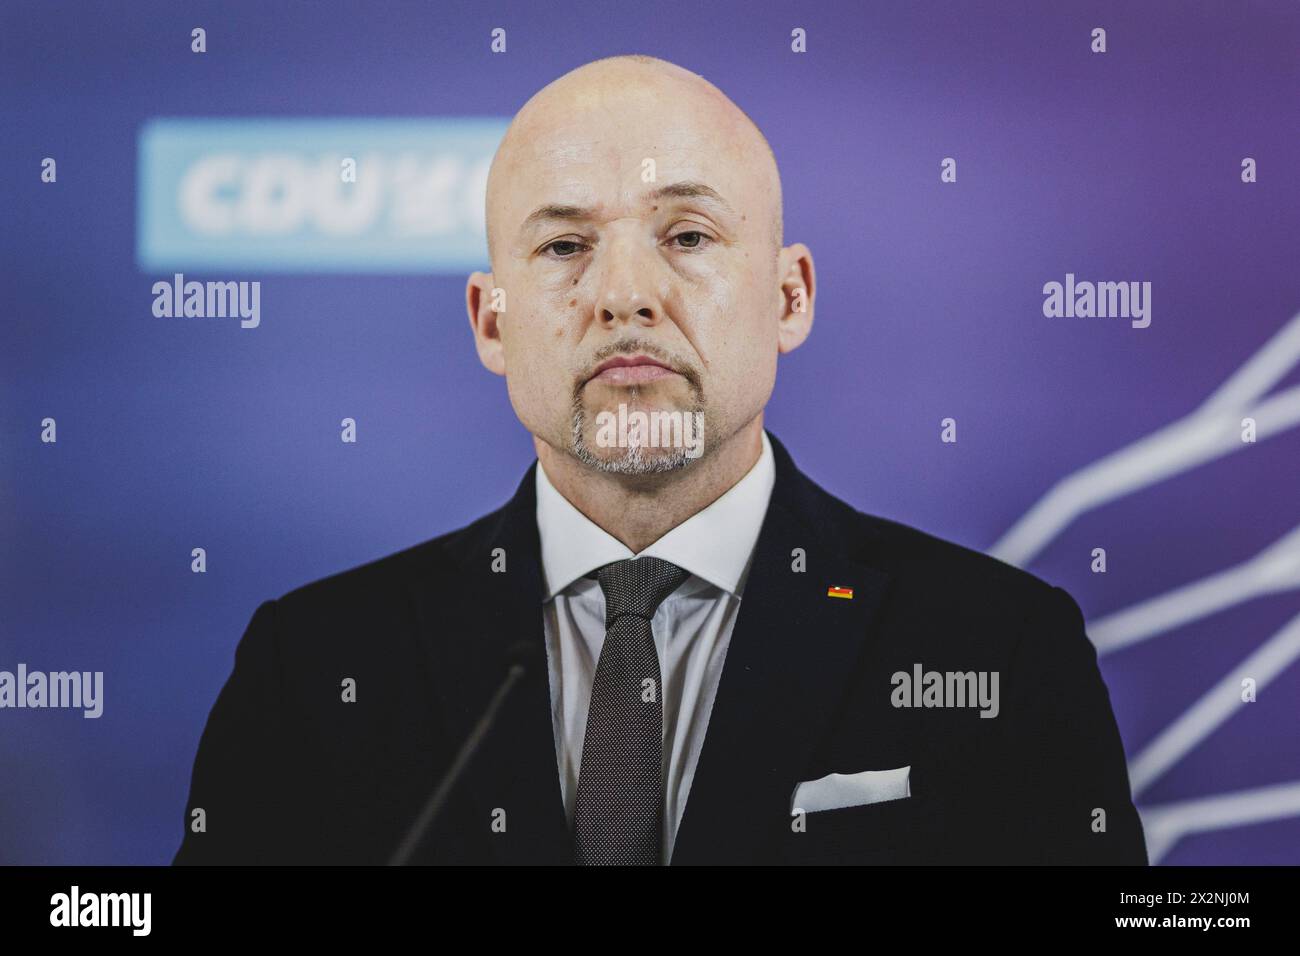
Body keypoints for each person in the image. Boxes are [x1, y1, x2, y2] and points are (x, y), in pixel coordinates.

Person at [173, 54, 1147, 866]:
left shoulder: (1004, 648)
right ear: (490, 321)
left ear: (789, 298)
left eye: (686, 235)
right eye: (562, 247)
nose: (624, 294)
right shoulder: (311, 668)